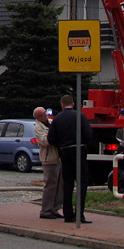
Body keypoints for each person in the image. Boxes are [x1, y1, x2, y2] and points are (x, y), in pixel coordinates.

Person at [47, 94, 93, 224]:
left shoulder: (57, 119)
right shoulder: (80, 116)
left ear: (62, 105)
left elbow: (51, 139)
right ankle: (80, 215)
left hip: (64, 151)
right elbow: (88, 134)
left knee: (67, 184)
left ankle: (67, 215)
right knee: (82, 182)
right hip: (79, 149)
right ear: (72, 104)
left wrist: (60, 145)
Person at [33, 106, 63, 219]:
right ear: (37, 117)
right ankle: (46, 210)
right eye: (42, 115)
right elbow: (45, 141)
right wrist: (56, 136)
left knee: (60, 185)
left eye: (45, 113)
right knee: (50, 185)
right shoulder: (38, 127)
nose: (45, 116)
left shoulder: (51, 122)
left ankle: (55, 208)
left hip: (58, 157)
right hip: (49, 159)